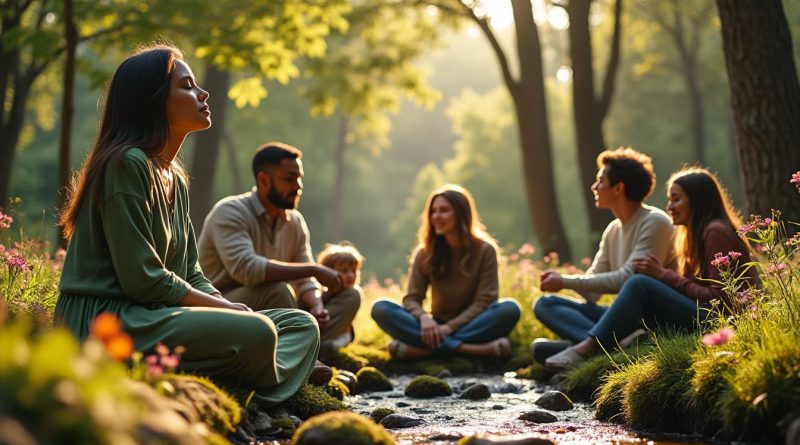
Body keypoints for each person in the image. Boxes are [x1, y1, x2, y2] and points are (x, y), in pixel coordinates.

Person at [55, 44, 318, 406]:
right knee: (259, 331)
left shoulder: (175, 177)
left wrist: (226, 306)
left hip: (154, 315)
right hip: (106, 320)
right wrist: (229, 313)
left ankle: (239, 374)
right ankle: (250, 386)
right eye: (188, 85)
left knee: (301, 326)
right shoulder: (125, 164)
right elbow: (142, 278)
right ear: (153, 99)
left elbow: (191, 272)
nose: (203, 93)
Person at [544, 167, 760, 370]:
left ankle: (590, 347)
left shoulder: (715, 231)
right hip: (701, 313)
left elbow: (719, 299)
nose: (670, 207)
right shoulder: (691, 235)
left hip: (720, 320)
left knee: (639, 283)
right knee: (546, 309)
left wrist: (662, 275)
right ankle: (612, 342)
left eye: (676, 199)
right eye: (669, 200)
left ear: (697, 201)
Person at [197, 142, 361, 353]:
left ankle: (307, 349)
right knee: (278, 290)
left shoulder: (295, 222)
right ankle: (307, 355)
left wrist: (317, 305)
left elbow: (305, 280)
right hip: (225, 307)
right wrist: (313, 269)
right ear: (263, 180)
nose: (298, 186)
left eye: (299, 178)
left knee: (351, 295)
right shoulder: (229, 212)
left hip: (280, 307)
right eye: (289, 179)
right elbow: (248, 270)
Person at [531, 148, 675, 362]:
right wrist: (560, 280)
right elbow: (593, 294)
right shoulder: (613, 230)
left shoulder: (655, 222)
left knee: (543, 351)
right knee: (546, 304)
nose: (594, 187)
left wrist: (565, 281)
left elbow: (628, 280)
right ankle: (614, 347)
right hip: (624, 322)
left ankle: (594, 347)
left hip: (647, 320)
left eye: (600, 181)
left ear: (618, 188)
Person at [371, 184, 521, 359]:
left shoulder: (485, 250)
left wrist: (449, 328)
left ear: (461, 214)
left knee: (510, 309)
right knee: (381, 308)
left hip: (472, 324)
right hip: (435, 325)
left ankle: (425, 351)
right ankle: (473, 350)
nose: (436, 217)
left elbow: (485, 300)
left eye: (444, 211)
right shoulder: (424, 252)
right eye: (433, 212)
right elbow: (412, 299)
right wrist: (425, 319)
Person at [315, 242, 364, 354]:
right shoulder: (318, 295)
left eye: (353, 270)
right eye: (344, 271)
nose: (351, 275)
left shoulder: (349, 294)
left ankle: (330, 346)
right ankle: (319, 347)